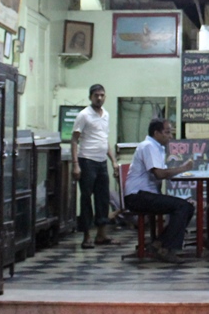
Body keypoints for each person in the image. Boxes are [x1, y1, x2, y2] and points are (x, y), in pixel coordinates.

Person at [123, 118, 195, 264]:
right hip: (137, 196)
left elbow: (162, 172)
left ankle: (158, 244)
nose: (170, 136)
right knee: (182, 207)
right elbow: (159, 174)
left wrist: (177, 171)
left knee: (187, 207)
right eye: (167, 132)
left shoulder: (156, 148)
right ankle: (166, 249)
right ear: (156, 133)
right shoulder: (148, 146)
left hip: (146, 195)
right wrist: (183, 168)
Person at [71, 83, 119, 249]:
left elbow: (104, 140)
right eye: (96, 95)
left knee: (103, 198)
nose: (99, 98)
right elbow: (74, 140)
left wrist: (113, 161)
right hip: (86, 161)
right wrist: (76, 164)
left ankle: (101, 234)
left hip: (101, 162)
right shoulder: (84, 115)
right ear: (90, 97)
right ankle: (86, 236)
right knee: (86, 198)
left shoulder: (106, 114)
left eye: (102, 95)